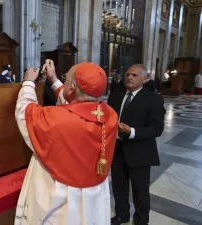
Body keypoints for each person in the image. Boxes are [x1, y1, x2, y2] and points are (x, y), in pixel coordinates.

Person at [14, 60, 118, 225]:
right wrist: (54, 80)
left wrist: (28, 82)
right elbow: (78, 104)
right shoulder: (110, 116)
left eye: (67, 79)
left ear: (72, 88)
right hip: (93, 195)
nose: (65, 82)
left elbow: (25, 112)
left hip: (61, 197)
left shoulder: (56, 119)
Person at [108, 64, 166, 225]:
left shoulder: (154, 99)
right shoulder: (116, 95)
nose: (129, 78)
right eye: (127, 75)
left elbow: (157, 129)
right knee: (119, 187)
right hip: (117, 150)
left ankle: (141, 219)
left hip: (140, 152)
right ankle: (122, 215)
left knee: (140, 191)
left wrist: (132, 132)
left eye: (134, 75)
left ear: (145, 78)